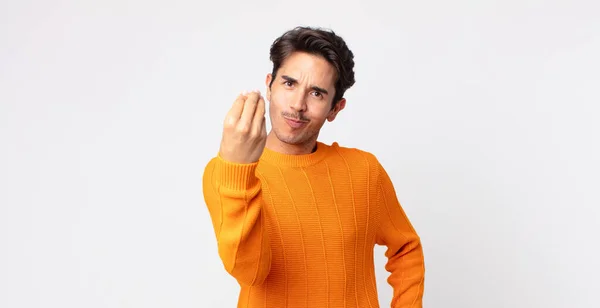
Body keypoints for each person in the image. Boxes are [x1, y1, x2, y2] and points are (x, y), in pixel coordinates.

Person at [202, 26, 425, 308]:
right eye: (289, 83)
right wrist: (240, 171)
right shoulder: (225, 174)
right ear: (270, 85)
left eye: (317, 93)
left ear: (335, 108)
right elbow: (250, 272)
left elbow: (406, 248)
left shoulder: (364, 170)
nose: (297, 105)